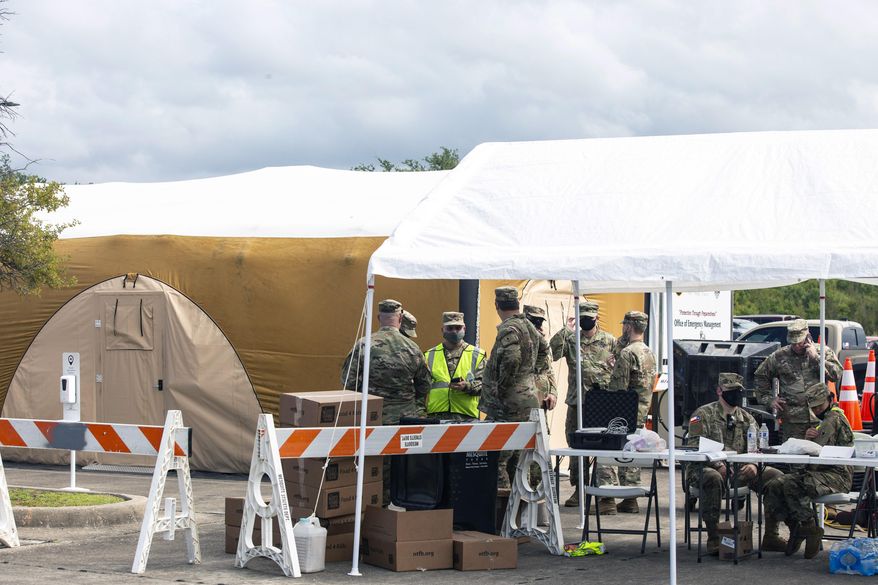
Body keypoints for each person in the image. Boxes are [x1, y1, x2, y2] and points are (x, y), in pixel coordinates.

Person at [341, 298, 432, 505]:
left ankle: (375, 510)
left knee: (373, 468)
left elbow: (348, 382)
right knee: (400, 468)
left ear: (379, 318)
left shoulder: (364, 345)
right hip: (403, 421)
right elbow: (424, 385)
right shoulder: (412, 348)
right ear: (400, 319)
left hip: (372, 420)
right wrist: (413, 408)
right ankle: (396, 511)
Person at [685, 373, 783, 555]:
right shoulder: (702, 414)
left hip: (740, 470)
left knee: (776, 477)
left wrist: (754, 464)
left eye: (739, 391)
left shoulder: (747, 418)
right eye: (731, 391)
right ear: (719, 391)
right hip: (705, 468)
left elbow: (758, 448)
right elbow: (694, 447)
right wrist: (717, 464)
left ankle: (771, 535)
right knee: (712, 477)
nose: (736, 395)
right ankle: (715, 538)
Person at [763, 382, 854, 558]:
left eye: (820, 406)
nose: (818, 410)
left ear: (830, 400)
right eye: (814, 407)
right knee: (774, 486)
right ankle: (800, 527)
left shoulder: (833, 419)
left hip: (836, 475)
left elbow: (817, 451)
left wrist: (807, 442)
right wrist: (807, 439)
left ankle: (807, 525)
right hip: (820, 473)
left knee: (790, 483)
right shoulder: (824, 421)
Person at [480, 286, 548, 491]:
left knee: (498, 457)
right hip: (527, 397)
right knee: (518, 458)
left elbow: (511, 359)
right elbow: (545, 350)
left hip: (508, 402)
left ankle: (500, 510)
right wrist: (530, 374)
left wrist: (501, 387)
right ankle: (519, 510)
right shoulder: (529, 326)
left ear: (497, 305)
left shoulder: (509, 328)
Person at [549, 300, 615, 508]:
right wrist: (565, 330)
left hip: (602, 403)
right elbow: (552, 353)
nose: (586, 322)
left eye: (589, 318)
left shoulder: (609, 340)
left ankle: (606, 495)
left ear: (596, 318)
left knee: (605, 447)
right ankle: (580, 489)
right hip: (577, 402)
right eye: (582, 318)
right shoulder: (571, 339)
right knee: (576, 446)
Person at [601, 310, 657, 514]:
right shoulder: (649, 352)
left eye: (624, 325)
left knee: (606, 451)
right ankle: (631, 498)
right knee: (631, 451)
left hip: (622, 411)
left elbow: (618, 389)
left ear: (629, 326)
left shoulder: (627, 353)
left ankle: (606, 498)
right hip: (641, 410)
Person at [755, 319, 843, 441]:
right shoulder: (780, 356)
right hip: (793, 421)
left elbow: (836, 374)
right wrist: (769, 399)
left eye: (800, 342)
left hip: (820, 417)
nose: (796, 346)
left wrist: (817, 358)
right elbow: (761, 376)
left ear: (808, 338)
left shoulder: (823, 352)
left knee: (820, 453)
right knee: (793, 455)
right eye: (793, 343)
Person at [424, 311, 486, 420]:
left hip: (466, 417)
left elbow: (486, 386)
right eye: (450, 328)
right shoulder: (429, 355)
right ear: (442, 330)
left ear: (464, 329)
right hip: (436, 416)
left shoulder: (477, 355)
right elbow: (421, 387)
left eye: (458, 328)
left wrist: (467, 386)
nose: (454, 331)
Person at [523, 304, 558, 412]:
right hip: (522, 398)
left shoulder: (544, 343)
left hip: (541, 399)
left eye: (540, 321)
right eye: (534, 320)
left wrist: (553, 393)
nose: (537, 324)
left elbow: (549, 370)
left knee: (541, 428)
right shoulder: (517, 339)